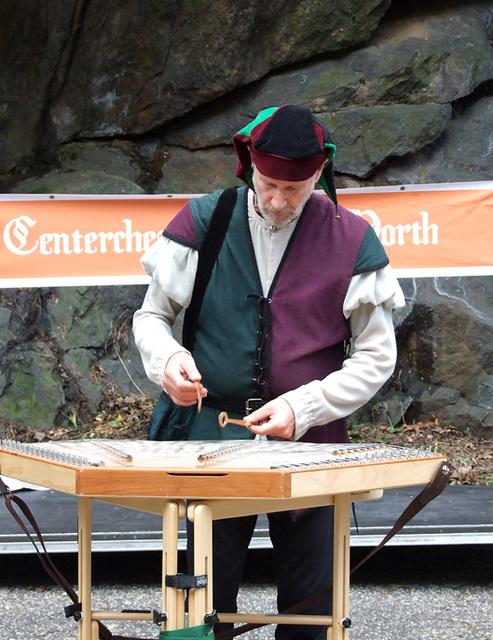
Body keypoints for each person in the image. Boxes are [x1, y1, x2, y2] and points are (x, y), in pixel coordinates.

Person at [133, 104, 405, 640]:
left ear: (318, 176)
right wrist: (168, 360)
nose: (278, 201)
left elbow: (377, 355)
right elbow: (151, 317)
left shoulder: (351, 238)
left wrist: (304, 407)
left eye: (294, 189)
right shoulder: (204, 220)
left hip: (312, 445)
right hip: (211, 440)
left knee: (311, 602)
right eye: (268, 184)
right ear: (248, 166)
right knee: (201, 594)